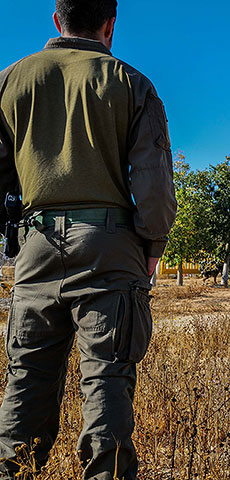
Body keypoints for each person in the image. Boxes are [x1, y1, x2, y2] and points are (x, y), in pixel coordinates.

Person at [0, 1, 177, 478]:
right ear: (110, 26)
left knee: (26, 384)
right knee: (106, 381)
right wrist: (153, 246)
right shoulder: (132, 84)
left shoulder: (9, 81)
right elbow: (153, 182)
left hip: (35, 248)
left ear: (56, 20)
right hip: (110, 246)